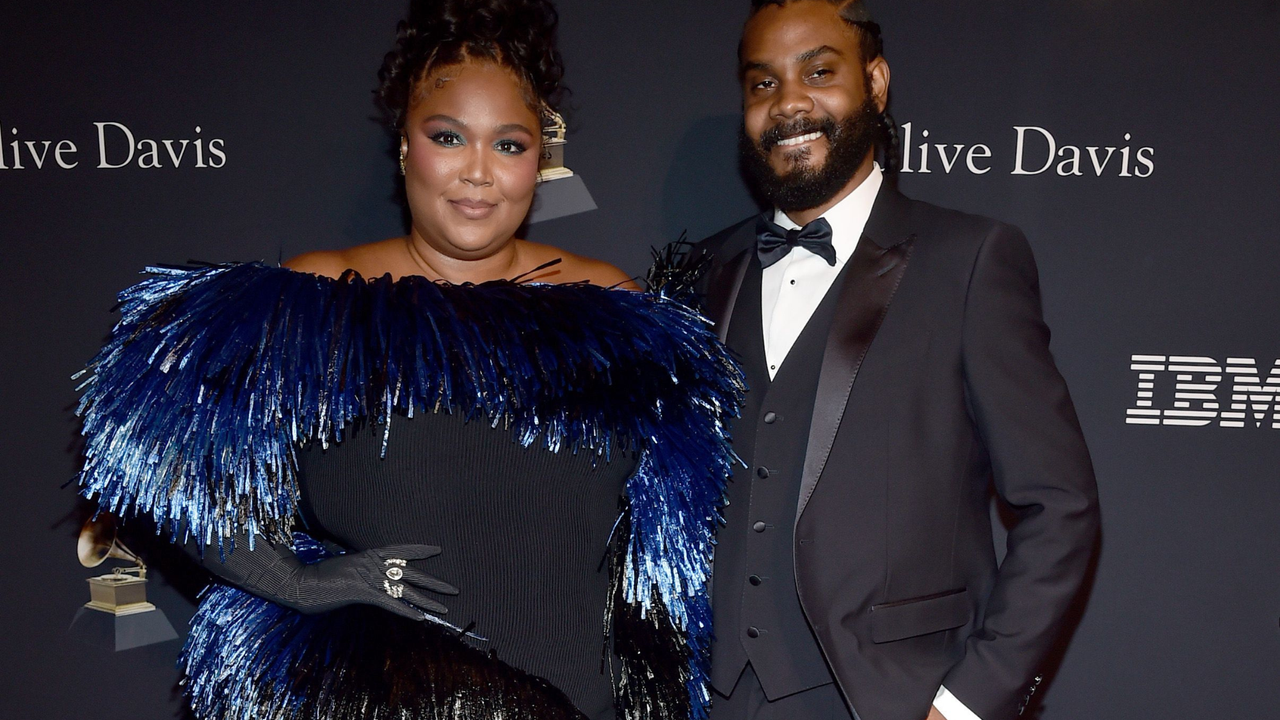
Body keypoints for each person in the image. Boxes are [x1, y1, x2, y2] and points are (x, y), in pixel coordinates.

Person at [72, 2, 742, 719]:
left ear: (540, 160)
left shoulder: (612, 306)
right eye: (449, 137)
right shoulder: (320, 298)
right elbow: (151, 451)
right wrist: (302, 584)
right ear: (404, 147)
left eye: (509, 145)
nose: (479, 173)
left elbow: (665, 538)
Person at [696, 2, 1101, 720]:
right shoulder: (705, 270)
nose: (789, 103)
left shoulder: (970, 260)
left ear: (876, 83)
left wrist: (969, 702)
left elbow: (1060, 506)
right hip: (707, 697)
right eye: (762, 85)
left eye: (819, 72)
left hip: (885, 699)